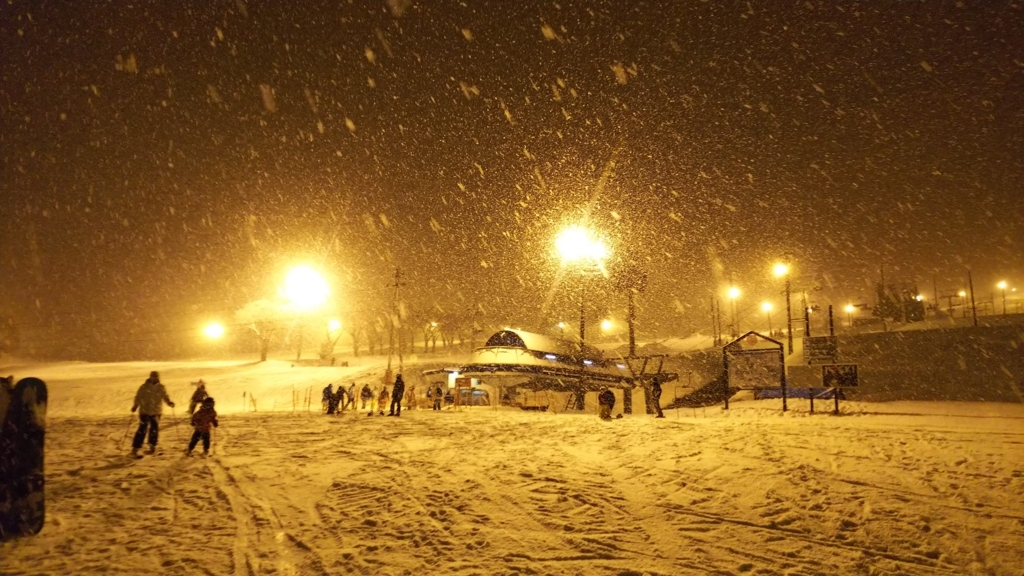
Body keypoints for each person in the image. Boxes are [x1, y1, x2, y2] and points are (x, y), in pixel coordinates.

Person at [130, 371, 175, 457]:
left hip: (156, 412)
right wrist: (135, 406)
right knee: (142, 429)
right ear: (150, 377)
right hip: (145, 411)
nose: (154, 378)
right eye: (153, 377)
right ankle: (135, 448)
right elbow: (138, 397)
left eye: (156, 377)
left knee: (154, 429)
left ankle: (152, 446)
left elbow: (165, 396)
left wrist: (169, 402)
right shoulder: (144, 387)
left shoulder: (161, 387)